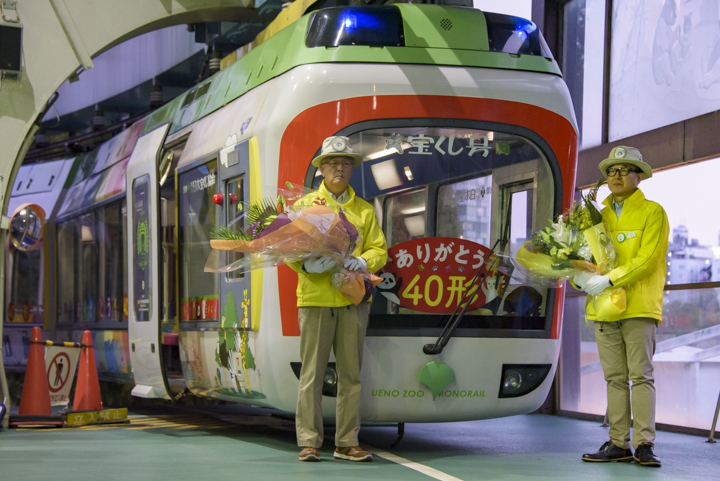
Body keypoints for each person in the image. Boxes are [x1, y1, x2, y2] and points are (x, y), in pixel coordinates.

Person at [289, 136, 387, 462]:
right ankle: (309, 442)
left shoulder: (364, 211)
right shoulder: (305, 207)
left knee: (351, 376)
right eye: (333, 163)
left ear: (351, 169)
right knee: (312, 375)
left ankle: (347, 442)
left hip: (352, 300)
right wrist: (305, 263)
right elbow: (288, 249)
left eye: (345, 164)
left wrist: (364, 262)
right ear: (322, 170)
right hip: (316, 298)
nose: (340, 168)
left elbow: (379, 249)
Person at [577, 146, 669, 468]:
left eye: (624, 170)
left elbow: (648, 260)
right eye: (611, 171)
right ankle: (619, 443)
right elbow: (587, 257)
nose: (616, 176)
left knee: (640, 376)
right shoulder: (595, 216)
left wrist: (610, 280)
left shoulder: (653, 212)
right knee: (615, 378)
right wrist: (578, 276)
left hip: (639, 307)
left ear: (638, 176)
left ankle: (645, 443)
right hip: (603, 307)